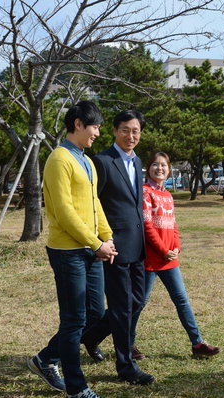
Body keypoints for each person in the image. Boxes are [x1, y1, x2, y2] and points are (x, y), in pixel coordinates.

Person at [28, 100, 117, 398]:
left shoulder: (87, 161)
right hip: (68, 252)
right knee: (73, 320)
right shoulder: (59, 159)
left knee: (93, 315)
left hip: (92, 250)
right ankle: (76, 389)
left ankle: (45, 358)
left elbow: (95, 204)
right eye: (95, 126)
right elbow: (65, 212)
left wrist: (107, 237)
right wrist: (96, 244)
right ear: (78, 124)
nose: (98, 133)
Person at [81, 109, 154, 385]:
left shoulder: (137, 162)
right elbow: (93, 205)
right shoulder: (101, 161)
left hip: (137, 245)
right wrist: (100, 241)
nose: (131, 136)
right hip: (113, 246)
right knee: (122, 307)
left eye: (135, 131)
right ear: (114, 130)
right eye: (125, 130)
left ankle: (91, 336)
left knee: (136, 301)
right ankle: (125, 366)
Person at [129, 152, 221, 359]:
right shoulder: (145, 192)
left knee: (182, 300)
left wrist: (176, 247)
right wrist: (163, 250)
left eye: (163, 166)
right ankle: (127, 344)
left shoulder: (168, 195)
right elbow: (147, 226)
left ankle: (197, 344)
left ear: (169, 170)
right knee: (139, 302)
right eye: (155, 165)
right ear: (148, 168)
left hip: (170, 260)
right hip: (151, 259)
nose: (159, 168)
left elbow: (173, 225)